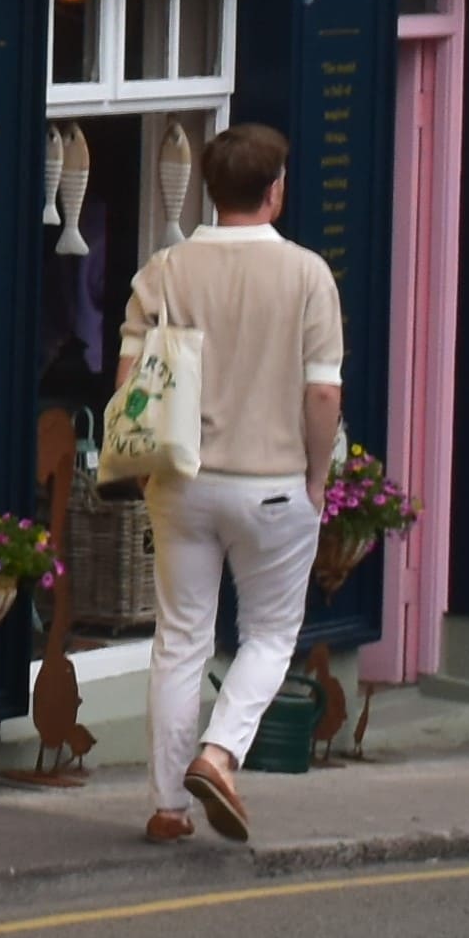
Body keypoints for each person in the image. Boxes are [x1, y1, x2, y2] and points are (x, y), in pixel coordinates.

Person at [114, 120, 348, 845]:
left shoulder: (164, 270)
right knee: (270, 634)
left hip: (182, 479)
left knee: (180, 637)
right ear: (275, 190)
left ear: (210, 191)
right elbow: (322, 393)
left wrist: (140, 464)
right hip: (273, 483)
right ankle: (218, 755)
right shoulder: (307, 275)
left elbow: (128, 382)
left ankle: (166, 806)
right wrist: (317, 476)